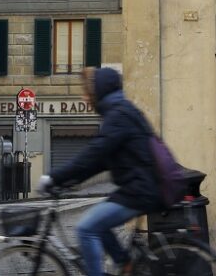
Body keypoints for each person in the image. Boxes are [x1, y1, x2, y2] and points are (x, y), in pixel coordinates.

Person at [38, 67, 165, 276]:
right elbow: (101, 160)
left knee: (86, 228)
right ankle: (125, 264)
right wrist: (71, 180)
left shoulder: (118, 115)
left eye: (87, 93)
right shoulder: (120, 111)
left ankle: (121, 265)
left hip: (141, 190)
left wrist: (54, 177)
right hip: (139, 187)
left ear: (98, 93)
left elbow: (93, 155)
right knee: (101, 225)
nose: (84, 97)